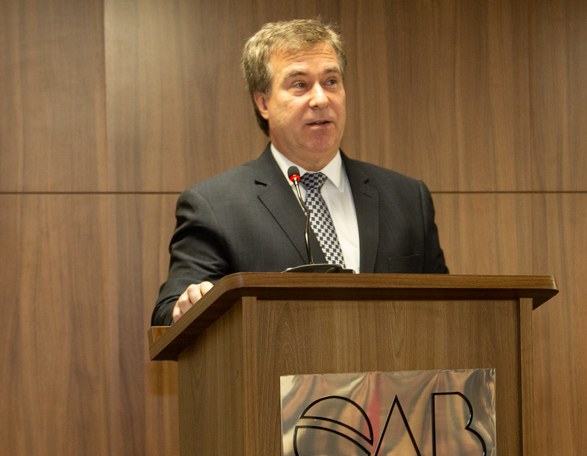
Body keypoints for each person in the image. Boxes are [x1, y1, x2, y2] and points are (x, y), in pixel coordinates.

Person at [151, 18, 448, 326]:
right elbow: (168, 314)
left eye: (331, 81)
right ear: (263, 103)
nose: (320, 99)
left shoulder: (408, 199)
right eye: (300, 85)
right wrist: (186, 306)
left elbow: (449, 310)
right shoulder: (214, 206)